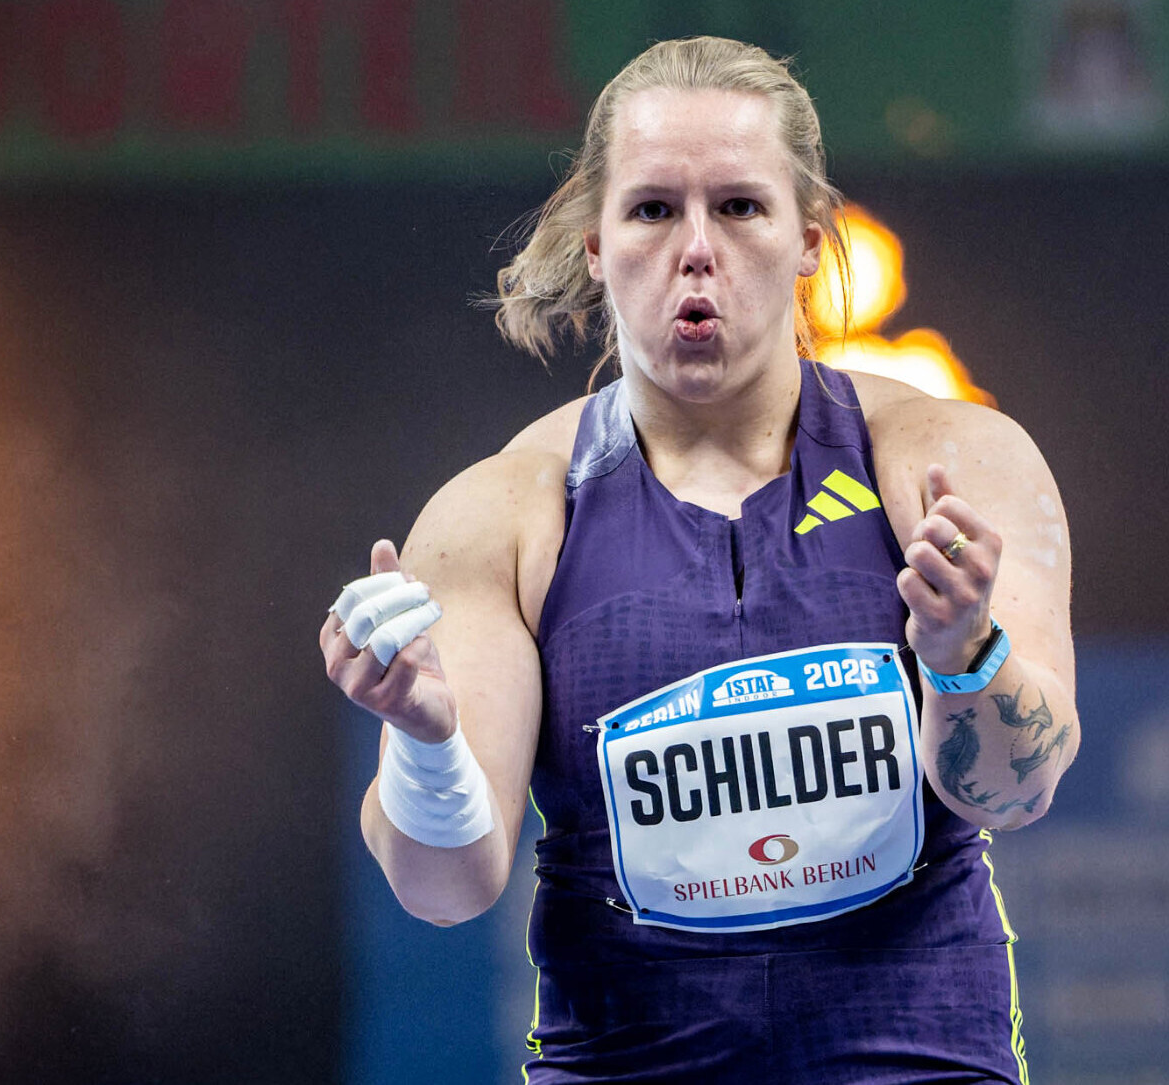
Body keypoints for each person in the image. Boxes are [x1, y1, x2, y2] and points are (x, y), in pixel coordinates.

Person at [319, 36, 1077, 1083]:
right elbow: (444, 887)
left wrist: (964, 653)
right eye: (651, 209)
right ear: (593, 243)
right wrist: (424, 741)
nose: (695, 249)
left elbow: (1017, 790)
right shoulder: (500, 515)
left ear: (809, 240)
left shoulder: (951, 462)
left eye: (738, 206)